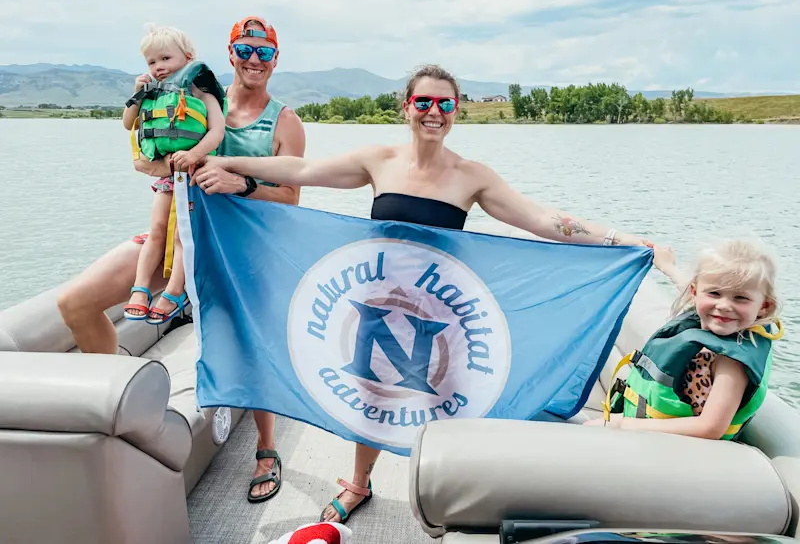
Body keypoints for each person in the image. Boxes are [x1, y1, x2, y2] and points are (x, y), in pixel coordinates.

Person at [180, 63, 670, 524]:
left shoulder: (472, 176)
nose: (434, 112)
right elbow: (302, 171)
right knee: (372, 398)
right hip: (379, 305)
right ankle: (359, 483)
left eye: (445, 104)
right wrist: (223, 161)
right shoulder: (379, 160)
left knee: (451, 404)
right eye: (424, 102)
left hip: (442, 314)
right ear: (407, 107)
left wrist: (625, 241)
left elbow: (544, 221)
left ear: (456, 111)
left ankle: (452, 490)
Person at [57, 15, 306, 505]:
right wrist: (157, 154)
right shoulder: (189, 93)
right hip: (175, 235)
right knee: (75, 303)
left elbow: (291, 197)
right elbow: (142, 158)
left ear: (276, 59)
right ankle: (124, 406)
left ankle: (266, 448)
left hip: (238, 250)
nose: (254, 59)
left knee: (252, 345)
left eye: (264, 52)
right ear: (230, 54)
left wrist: (241, 183)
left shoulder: (285, 122)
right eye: (245, 49)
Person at [584, 239, 784, 440]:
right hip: (654, 426)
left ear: (764, 307)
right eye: (715, 293)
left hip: (682, 446)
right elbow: (695, 291)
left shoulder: (732, 361)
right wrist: (668, 266)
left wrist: (621, 424)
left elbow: (710, 428)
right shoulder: (714, 318)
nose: (724, 305)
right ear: (695, 293)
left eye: (740, 298)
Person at [121, 24, 226, 325]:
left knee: (182, 236)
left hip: (194, 177)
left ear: (188, 57)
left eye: (165, 58)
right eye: (152, 62)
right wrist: (137, 94)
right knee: (156, 229)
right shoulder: (151, 93)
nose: (159, 67)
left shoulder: (201, 91)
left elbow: (217, 131)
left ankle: (175, 291)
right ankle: (140, 288)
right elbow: (128, 123)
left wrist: (194, 154)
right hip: (168, 178)